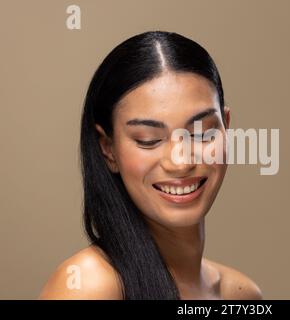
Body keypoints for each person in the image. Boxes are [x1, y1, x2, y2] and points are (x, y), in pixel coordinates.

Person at [39, 31, 262, 300]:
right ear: (108, 149)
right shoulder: (88, 284)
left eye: (202, 132)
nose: (181, 162)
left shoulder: (241, 294)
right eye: (149, 140)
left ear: (226, 127)